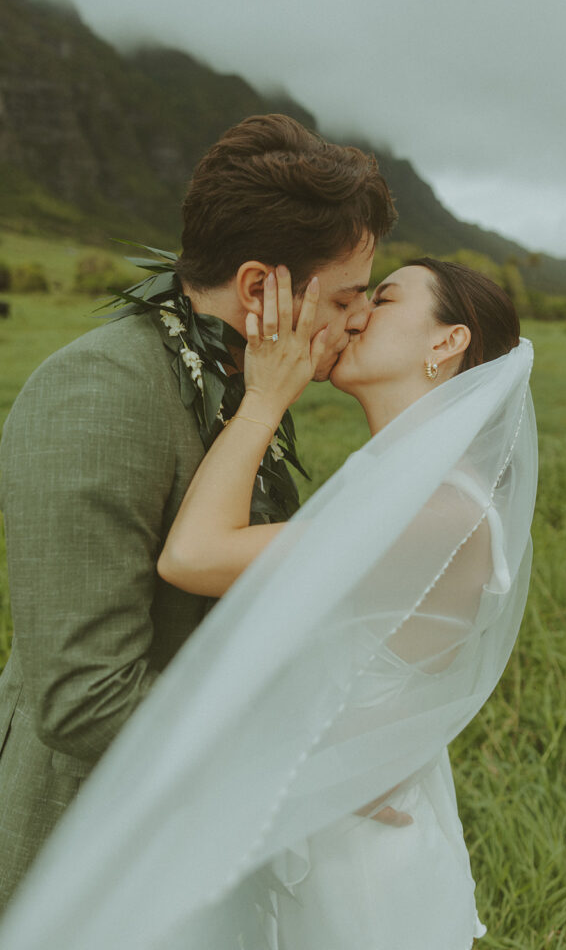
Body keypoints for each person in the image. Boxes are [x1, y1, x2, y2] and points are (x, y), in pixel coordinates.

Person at [0, 254, 536, 950]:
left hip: (349, 856)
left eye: (387, 298)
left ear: (445, 342)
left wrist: (262, 400)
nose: (360, 314)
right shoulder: (416, 488)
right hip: (317, 811)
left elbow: (192, 556)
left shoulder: (431, 511)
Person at [0, 113, 397, 912]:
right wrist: (304, 761)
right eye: (348, 296)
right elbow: (84, 700)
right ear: (259, 286)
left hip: (195, 829)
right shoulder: (98, 394)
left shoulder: (248, 382)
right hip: (87, 850)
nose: (358, 320)